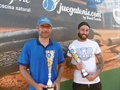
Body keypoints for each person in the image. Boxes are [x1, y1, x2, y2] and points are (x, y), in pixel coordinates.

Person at [18, 16, 64, 90]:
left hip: (53, 88)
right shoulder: (28, 46)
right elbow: (22, 68)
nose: (45, 29)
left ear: (51, 29)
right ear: (37, 27)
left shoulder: (57, 46)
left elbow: (61, 65)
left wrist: (58, 80)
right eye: (42, 26)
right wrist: (35, 85)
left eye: (48, 27)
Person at [66, 21, 104, 90]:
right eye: (82, 30)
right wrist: (75, 66)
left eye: (87, 30)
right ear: (78, 30)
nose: (85, 32)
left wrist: (95, 75)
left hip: (95, 82)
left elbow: (101, 61)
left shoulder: (94, 44)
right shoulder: (72, 45)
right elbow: (68, 62)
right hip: (79, 83)